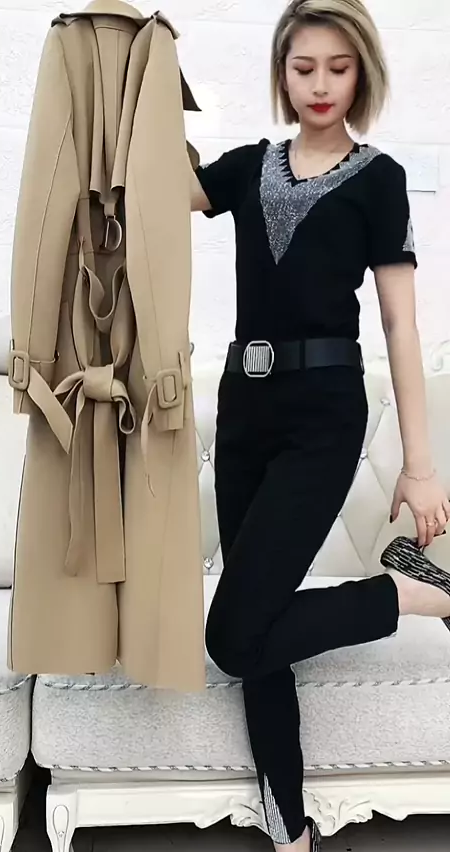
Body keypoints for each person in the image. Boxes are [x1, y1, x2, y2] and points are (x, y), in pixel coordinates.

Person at [189, 0, 450, 849]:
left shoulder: (378, 178)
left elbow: (400, 326)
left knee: (233, 635)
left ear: (362, 72)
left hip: (325, 418)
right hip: (244, 410)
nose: (320, 84)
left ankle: (404, 592)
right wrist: (136, 71)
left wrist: (419, 466)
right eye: (304, 68)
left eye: (339, 67)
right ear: (282, 72)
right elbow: (164, 183)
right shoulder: (248, 167)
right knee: (258, 628)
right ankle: (290, 830)